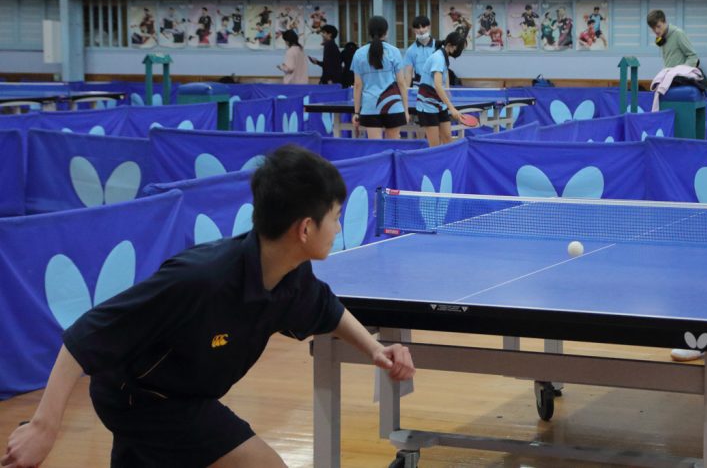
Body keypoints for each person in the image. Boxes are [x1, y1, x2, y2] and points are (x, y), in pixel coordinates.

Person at [1, 146, 414, 468]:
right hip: (143, 399)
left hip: (180, 392)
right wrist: (43, 426)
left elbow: (327, 309)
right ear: (305, 228)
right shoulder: (201, 278)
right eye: (336, 217)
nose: (339, 227)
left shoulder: (290, 275)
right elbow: (86, 335)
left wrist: (376, 350)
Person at [351, 16, 409, 139]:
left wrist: (356, 112)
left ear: (369, 32)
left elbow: (357, 85)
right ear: (386, 32)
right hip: (393, 105)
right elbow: (401, 82)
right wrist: (406, 110)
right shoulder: (394, 52)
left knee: (375, 148)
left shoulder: (359, 54)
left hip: (370, 107)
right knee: (394, 147)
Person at [415, 31, 467, 147]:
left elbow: (444, 78)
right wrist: (452, 108)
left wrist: (447, 91)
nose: (460, 52)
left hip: (439, 104)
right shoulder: (438, 58)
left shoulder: (444, 57)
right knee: (435, 145)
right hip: (427, 105)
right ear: (450, 45)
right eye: (459, 49)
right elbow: (437, 85)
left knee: (448, 138)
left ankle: (448, 165)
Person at [403, 16, 438, 87]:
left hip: (436, 86)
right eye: (418, 28)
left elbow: (445, 70)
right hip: (418, 87)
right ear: (414, 30)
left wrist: (447, 90)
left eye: (424, 27)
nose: (421, 30)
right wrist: (406, 92)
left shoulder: (438, 46)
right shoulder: (410, 50)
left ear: (429, 27)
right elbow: (408, 73)